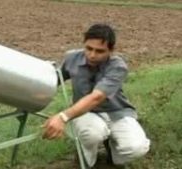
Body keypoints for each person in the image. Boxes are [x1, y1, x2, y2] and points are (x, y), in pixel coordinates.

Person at [42, 24, 150, 168]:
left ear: (111, 50)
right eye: (88, 48)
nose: (92, 55)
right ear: (84, 44)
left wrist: (62, 117)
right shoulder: (71, 58)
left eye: (99, 51)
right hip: (85, 113)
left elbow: (97, 97)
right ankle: (86, 159)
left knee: (137, 147)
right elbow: (55, 80)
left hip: (117, 112)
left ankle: (113, 155)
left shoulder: (117, 66)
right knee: (91, 135)